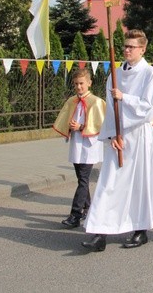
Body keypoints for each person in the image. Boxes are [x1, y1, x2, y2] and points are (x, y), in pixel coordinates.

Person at [82, 30, 153, 252]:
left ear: (143, 49)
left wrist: (125, 97)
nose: (127, 50)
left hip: (139, 137)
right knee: (108, 184)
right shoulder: (115, 74)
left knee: (139, 183)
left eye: (132, 47)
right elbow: (110, 109)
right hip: (118, 138)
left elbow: (151, 107)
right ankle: (99, 233)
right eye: (125, 46)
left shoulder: (150, 74)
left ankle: (140, 229)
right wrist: (112, 135)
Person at [53, 68, 105, 229]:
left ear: (89, 83)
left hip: (89, 145)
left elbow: (101, 125)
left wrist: (81, 126)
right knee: (81, 178)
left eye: (81, 83)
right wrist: (69, 127)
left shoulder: (96, 102)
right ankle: (88, 207)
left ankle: (75, 215)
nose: (79, 87)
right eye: (76, 84)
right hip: (76, 144)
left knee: (83, 179)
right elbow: (65, 118)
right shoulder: (71, 101)